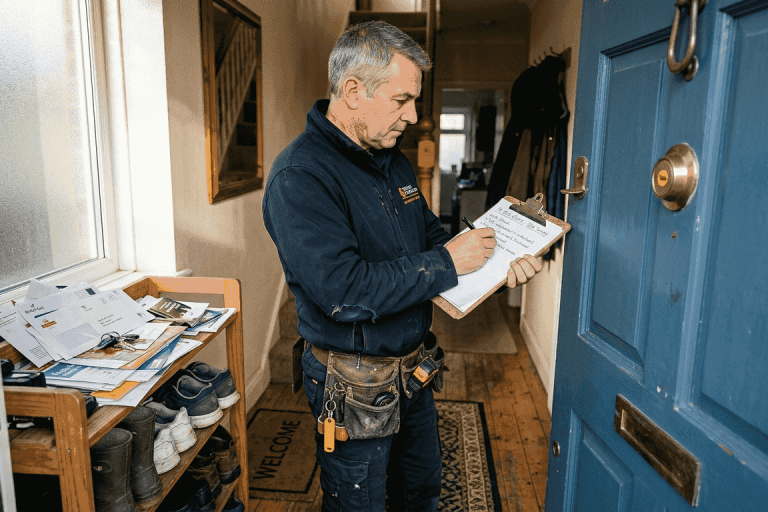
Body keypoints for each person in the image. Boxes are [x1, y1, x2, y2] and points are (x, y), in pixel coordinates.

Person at [263, 21, 542, 512]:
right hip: (353, 387)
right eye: (401, 100)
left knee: (420, 495)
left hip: (413, 373)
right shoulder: (300, 177)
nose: (413, 115)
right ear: (353, 91)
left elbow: (432, 238)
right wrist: (447, 261)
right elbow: (343, 292)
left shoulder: (391, 158)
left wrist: (501, 258)